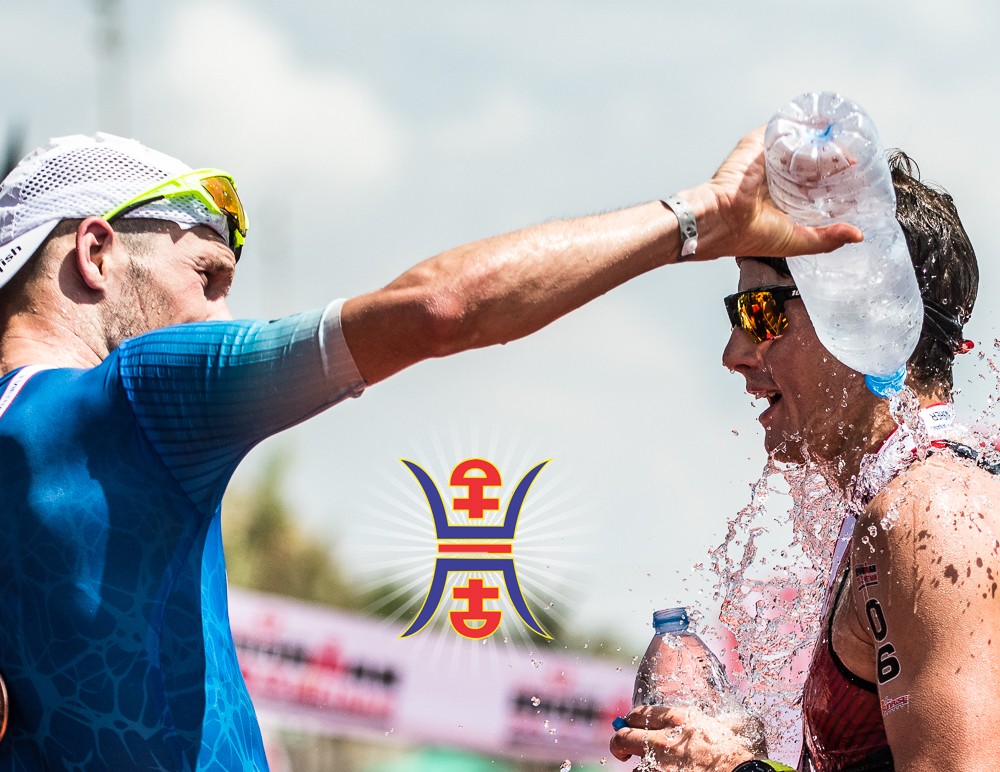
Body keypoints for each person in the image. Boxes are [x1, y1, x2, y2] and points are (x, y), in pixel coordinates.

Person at [0, 130, 857, 770]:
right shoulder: (135, 397)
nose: (216, 319)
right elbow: (440, 310)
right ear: (97, 250)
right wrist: (696, 221)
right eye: (206, 277)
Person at [610, 152, 998, 772]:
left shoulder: (937, 517)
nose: (734, 353)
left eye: (759, 312)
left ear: (866, 319)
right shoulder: (902, 498)